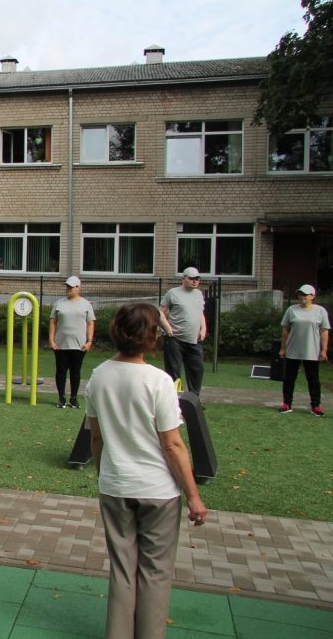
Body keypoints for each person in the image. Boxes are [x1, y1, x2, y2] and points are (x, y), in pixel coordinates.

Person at [85, 302, 207, 639]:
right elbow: (173, 445)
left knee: (123, 570)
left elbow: (96, 437)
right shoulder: (159, 381)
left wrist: (105, 475)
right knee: (155, 571)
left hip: (115, 485)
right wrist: (194, 497)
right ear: (152, 338)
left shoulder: (98, 376)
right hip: (158, 491)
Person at [278, 284, 329, 416]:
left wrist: (324, 350)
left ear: (312, 296)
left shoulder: (320, 311)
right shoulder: (291, 310)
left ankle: (315, 406)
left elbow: (324, 331)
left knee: (313, 380)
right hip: (293, 350)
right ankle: (287, 404)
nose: (302, 297)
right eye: (300, 294)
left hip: (311, 351)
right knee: (289, 379)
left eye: (305, 294)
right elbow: (285, 330)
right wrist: (283, 348)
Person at [49, 276, 96, 409]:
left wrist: (89, 341)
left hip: (79, 345)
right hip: (60, 344)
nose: (68, 289)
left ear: (78, 288)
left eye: (71, 287)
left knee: (75, 371)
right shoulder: (59, 303)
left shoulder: (86, 304)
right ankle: (61, 398)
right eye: (67, 286)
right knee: (61, 371)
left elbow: (90, 323)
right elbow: (53, 322)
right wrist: (51, 340)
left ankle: (74, 398)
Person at [159, 267, 207, 396]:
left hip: (194, 339)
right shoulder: (172, 293)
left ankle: (194, 398)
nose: (195, 281)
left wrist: (203, 328)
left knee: (197, 369)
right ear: (183, 279)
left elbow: (200, 313)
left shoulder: (198, 294)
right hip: (174, 339)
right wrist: (167, 327)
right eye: (191, 278)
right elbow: (161, 312)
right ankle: (175, 397)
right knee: (174, 371)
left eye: (197, 279)